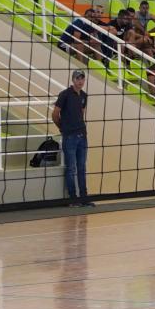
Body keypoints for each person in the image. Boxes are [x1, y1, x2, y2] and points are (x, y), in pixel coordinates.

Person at [53, 69, 91, 206]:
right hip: (70, 137)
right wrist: (62, 128)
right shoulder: (65, 95)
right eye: (77, 78)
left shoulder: (84, 96)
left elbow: (81, 113)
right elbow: (55, 114)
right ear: (73, 80)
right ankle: (73, 198)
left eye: (82, 79)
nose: (80, 81)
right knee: (71, 168)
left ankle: (84, 198)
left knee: (82, 167)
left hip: (82, 136)